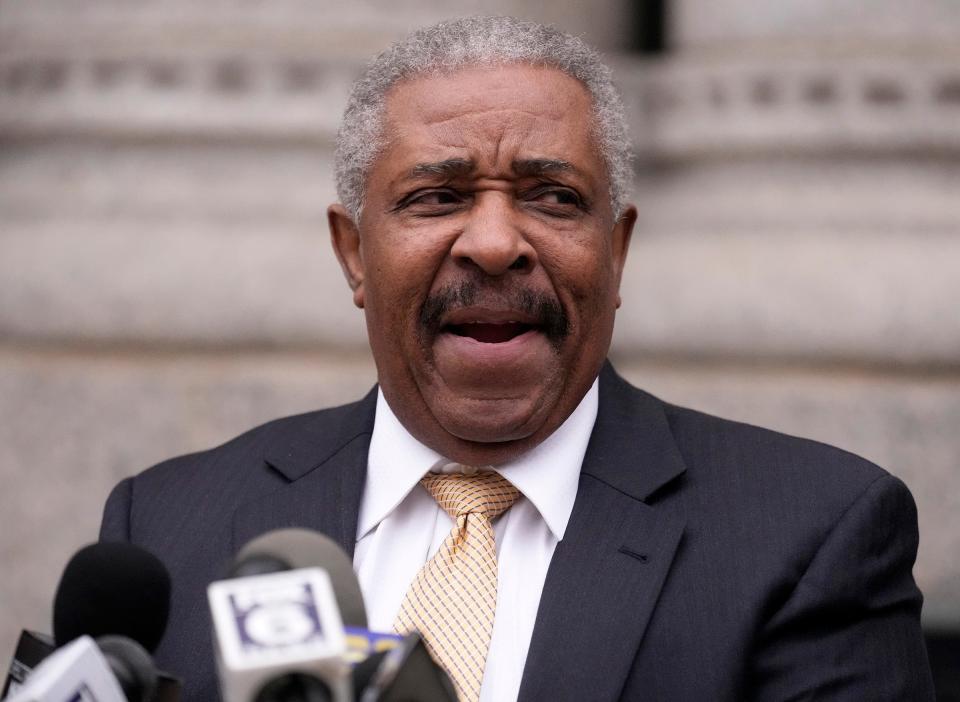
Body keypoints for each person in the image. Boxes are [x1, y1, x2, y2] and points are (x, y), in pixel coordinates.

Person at [100, 16, 935, 702]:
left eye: (552, 197)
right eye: (438, 197)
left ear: (617, 253)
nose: (496, 244)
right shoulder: (169, 525)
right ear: (353, 253)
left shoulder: (811, 533)